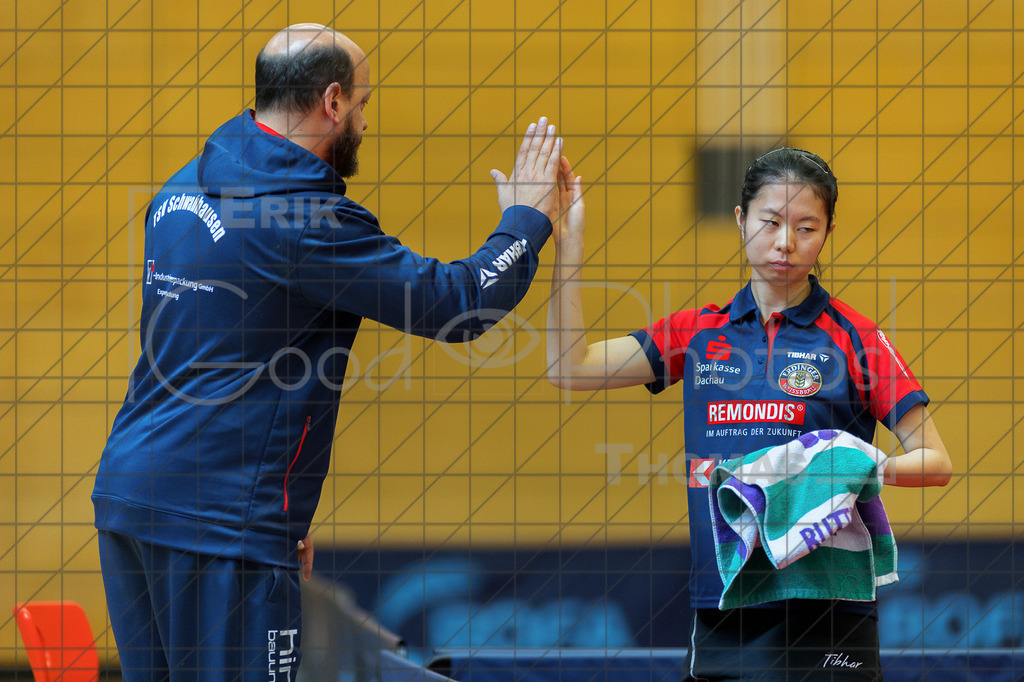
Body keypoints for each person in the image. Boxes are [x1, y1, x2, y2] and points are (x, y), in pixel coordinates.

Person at [93, 23, 567, 680]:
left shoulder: (180, 189)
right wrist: (526, 220)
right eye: (363, 104)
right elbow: (456, 305)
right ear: (333, 101)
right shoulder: (304, 219)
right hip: (220, 521)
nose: (366, 123)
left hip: (131, 498)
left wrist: (276, 509)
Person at [546, 148, 952, 680]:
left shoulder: (857, 338)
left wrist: (855, 466)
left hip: (826, 608)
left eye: (806, 227)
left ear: (827, 233)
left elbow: (935, 462)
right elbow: (568, 367)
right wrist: (568, 246)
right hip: (725, 604)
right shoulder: (696, 333)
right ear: (741, 220)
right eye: (771, 222)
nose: (786, 242)